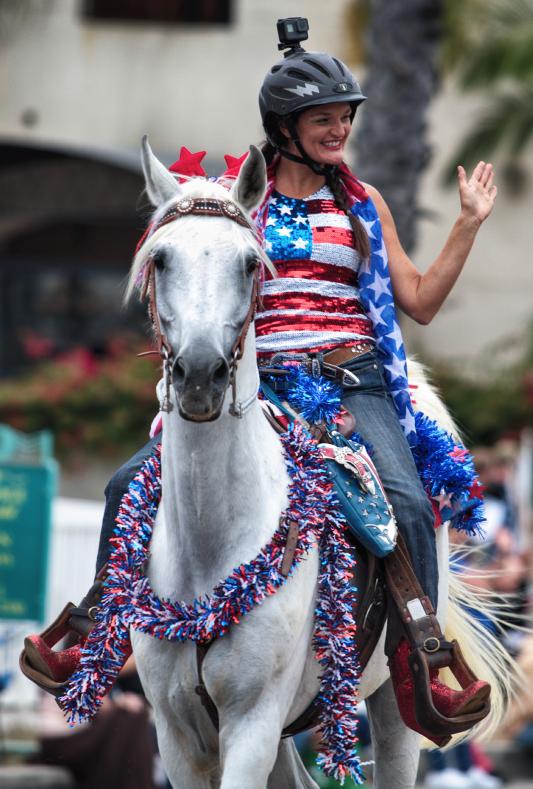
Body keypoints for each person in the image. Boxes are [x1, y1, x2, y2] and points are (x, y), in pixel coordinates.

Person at [22, 19, 495, 743]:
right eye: (323, 120)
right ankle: (98, 628)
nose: (339, 131)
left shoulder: (363, 204)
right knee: (125, 485)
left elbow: (421, 301)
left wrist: (466, 223)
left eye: (344, 118)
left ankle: (422, 660)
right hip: (261, 382)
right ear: (284, 128)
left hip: (350, 383)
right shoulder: (240, 203)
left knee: (401, 497)